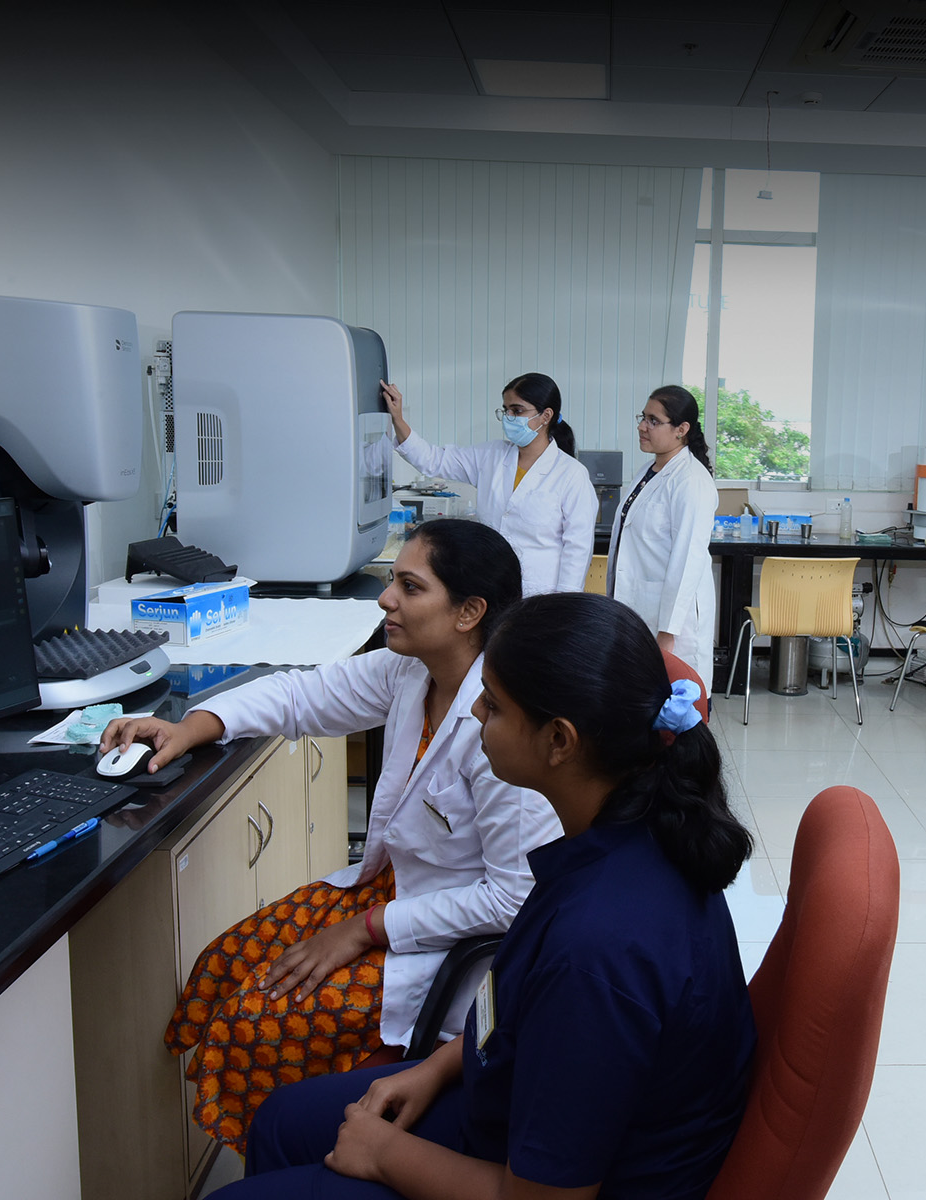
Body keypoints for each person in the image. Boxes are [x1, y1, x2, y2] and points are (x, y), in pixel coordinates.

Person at [214, 593, 757, 1200]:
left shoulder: (597, 952)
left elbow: (540, 1199)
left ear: (559, 741)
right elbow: (518, 1008)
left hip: (546, 1181)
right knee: (280, 1123)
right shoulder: (626, 834)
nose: (474, 710)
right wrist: (436, 1067)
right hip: (515, 1097)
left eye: (493, 705)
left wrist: (385, 1155)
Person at [99, 520, 563, 1150]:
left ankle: (285, 1152)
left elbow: (514, 900)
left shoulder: (504, 725)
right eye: (392, 581)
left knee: (254, 1022)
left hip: (447, 933)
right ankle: (269, 1142)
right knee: (222, 963)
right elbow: (304, 695)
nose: (385, 599)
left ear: (468, 612)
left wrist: (363, 930)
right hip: (389, 892)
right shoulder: (412, 673)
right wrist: (195, 724)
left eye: (409, 587)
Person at [383, 373, 597, 596]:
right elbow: (434, 460)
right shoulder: (491, 456)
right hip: (490, 584)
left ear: (546, 416)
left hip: (542, 594)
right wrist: (398, 419)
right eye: (506, 410)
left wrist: (565, 602)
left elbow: (578, 548)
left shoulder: (571, 474)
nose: (509, 418)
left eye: (517, 411)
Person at [608, 385, 720, 682]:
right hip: (639, 609)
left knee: (677, 699)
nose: (642, 427)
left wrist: (668, 632)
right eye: (643, 417)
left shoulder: (691, 481)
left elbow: (687, 560)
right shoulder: (649, 471)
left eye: (654, 421)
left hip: (671, 624)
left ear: (681, 429)